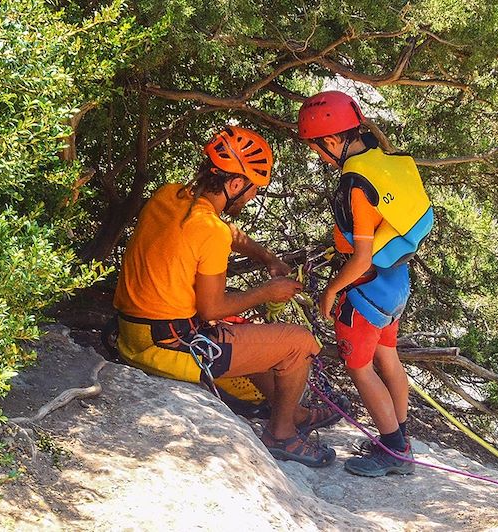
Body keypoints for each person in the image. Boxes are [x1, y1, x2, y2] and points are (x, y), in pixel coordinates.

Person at [113, 126, 338, 468]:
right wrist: (268, 291)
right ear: (235, 185)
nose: (249, 199)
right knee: (298, 342)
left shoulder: (169, 195)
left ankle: (295, 412)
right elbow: (213, 307)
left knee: (258, 340)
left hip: (132, 332)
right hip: (168, 344)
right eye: (251, 191)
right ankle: (281, 435)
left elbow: (230, 233)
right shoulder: (211, 231)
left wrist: (267, 258)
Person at [298, 91, 434, 476]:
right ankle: (400, 438)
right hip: (396, 283)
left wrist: (330, 290)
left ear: (330, 141)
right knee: (387, 357)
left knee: (359, 367)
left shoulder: (356, 184)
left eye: (318, 148)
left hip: (367, 292)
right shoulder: (381, 162)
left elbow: (359, 257)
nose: (320, 157)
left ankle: (392, 452)